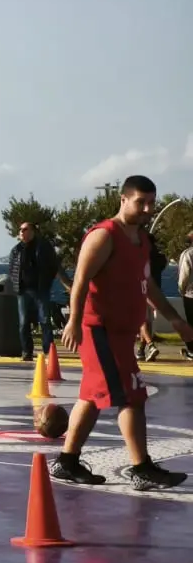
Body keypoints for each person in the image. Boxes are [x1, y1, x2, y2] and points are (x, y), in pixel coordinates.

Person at [54, 176, 193, 490]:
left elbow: (149, 287)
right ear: (123, 200)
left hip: (121, 333)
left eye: (151, 203)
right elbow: (80, 280)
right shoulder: (104, 236)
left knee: (91, 397)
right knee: (131, 397)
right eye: (140, 202)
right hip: (99, 330)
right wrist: (74, 320)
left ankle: (67, 461)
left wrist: (175, 320)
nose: (147, 209)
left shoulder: (141, 241)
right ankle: (141, 467)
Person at [9, 220, 65, 362]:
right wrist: (16, 285)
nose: (22, 232)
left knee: (45, 321)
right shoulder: (16, 250)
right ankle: (27, 352)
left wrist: (46, 283)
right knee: (23, 323)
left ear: (33, 231)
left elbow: (53, 266)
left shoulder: (43, 247)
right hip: (23, 291)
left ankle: (48, 352)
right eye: (20, 229)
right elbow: (12, 269)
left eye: (25, 229)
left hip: (40, 290)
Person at [135, 233, 168, 363]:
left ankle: (150, 345)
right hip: (156, 292)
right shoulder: (161, 258)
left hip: (142, 291)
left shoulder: (142, 256)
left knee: (141, 321)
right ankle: (141, 350)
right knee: (147, 323)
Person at [179, 229, 193, 360]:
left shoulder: (188, 254)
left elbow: (185, 274)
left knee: (191, 322)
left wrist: (181, 289)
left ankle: (192, 350)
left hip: (190, 294)